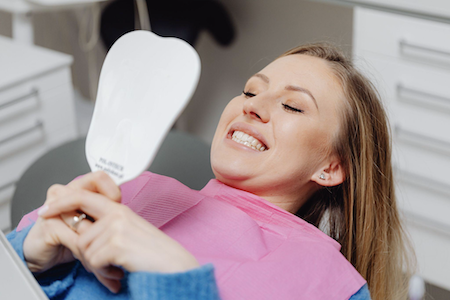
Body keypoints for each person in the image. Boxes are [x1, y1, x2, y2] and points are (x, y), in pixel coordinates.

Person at [7, 43, 412, 300]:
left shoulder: (327, 284)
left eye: (292, 106)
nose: (251, 105)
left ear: (331, 166)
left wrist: (177, 281)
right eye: (251, 90)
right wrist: (25, 256)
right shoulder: (129, 189)